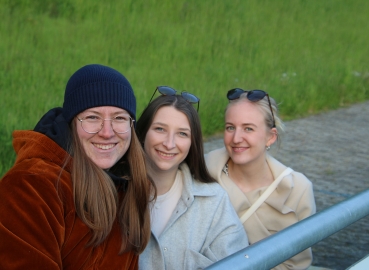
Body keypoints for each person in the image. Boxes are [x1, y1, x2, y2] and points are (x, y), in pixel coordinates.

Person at [0, 64, 153, 269]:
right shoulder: (31, 186)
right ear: (72, 122)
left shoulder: (127, 185)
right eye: (92, 117)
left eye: (119, 118)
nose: (107, 132)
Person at [136, 86, 248, 270]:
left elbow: (238, 265)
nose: (169, 143)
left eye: (182, 133)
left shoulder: (214, 202)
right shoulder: (113, 192)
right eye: (160, 129)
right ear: (143, 134)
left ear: (192, 143)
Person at [205, 88, 316, 270]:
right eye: (230, 127)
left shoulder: (298, 189)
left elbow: (295, 263)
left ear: (270, 137)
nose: (236, 138)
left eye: (248, 128)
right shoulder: (204, 169)